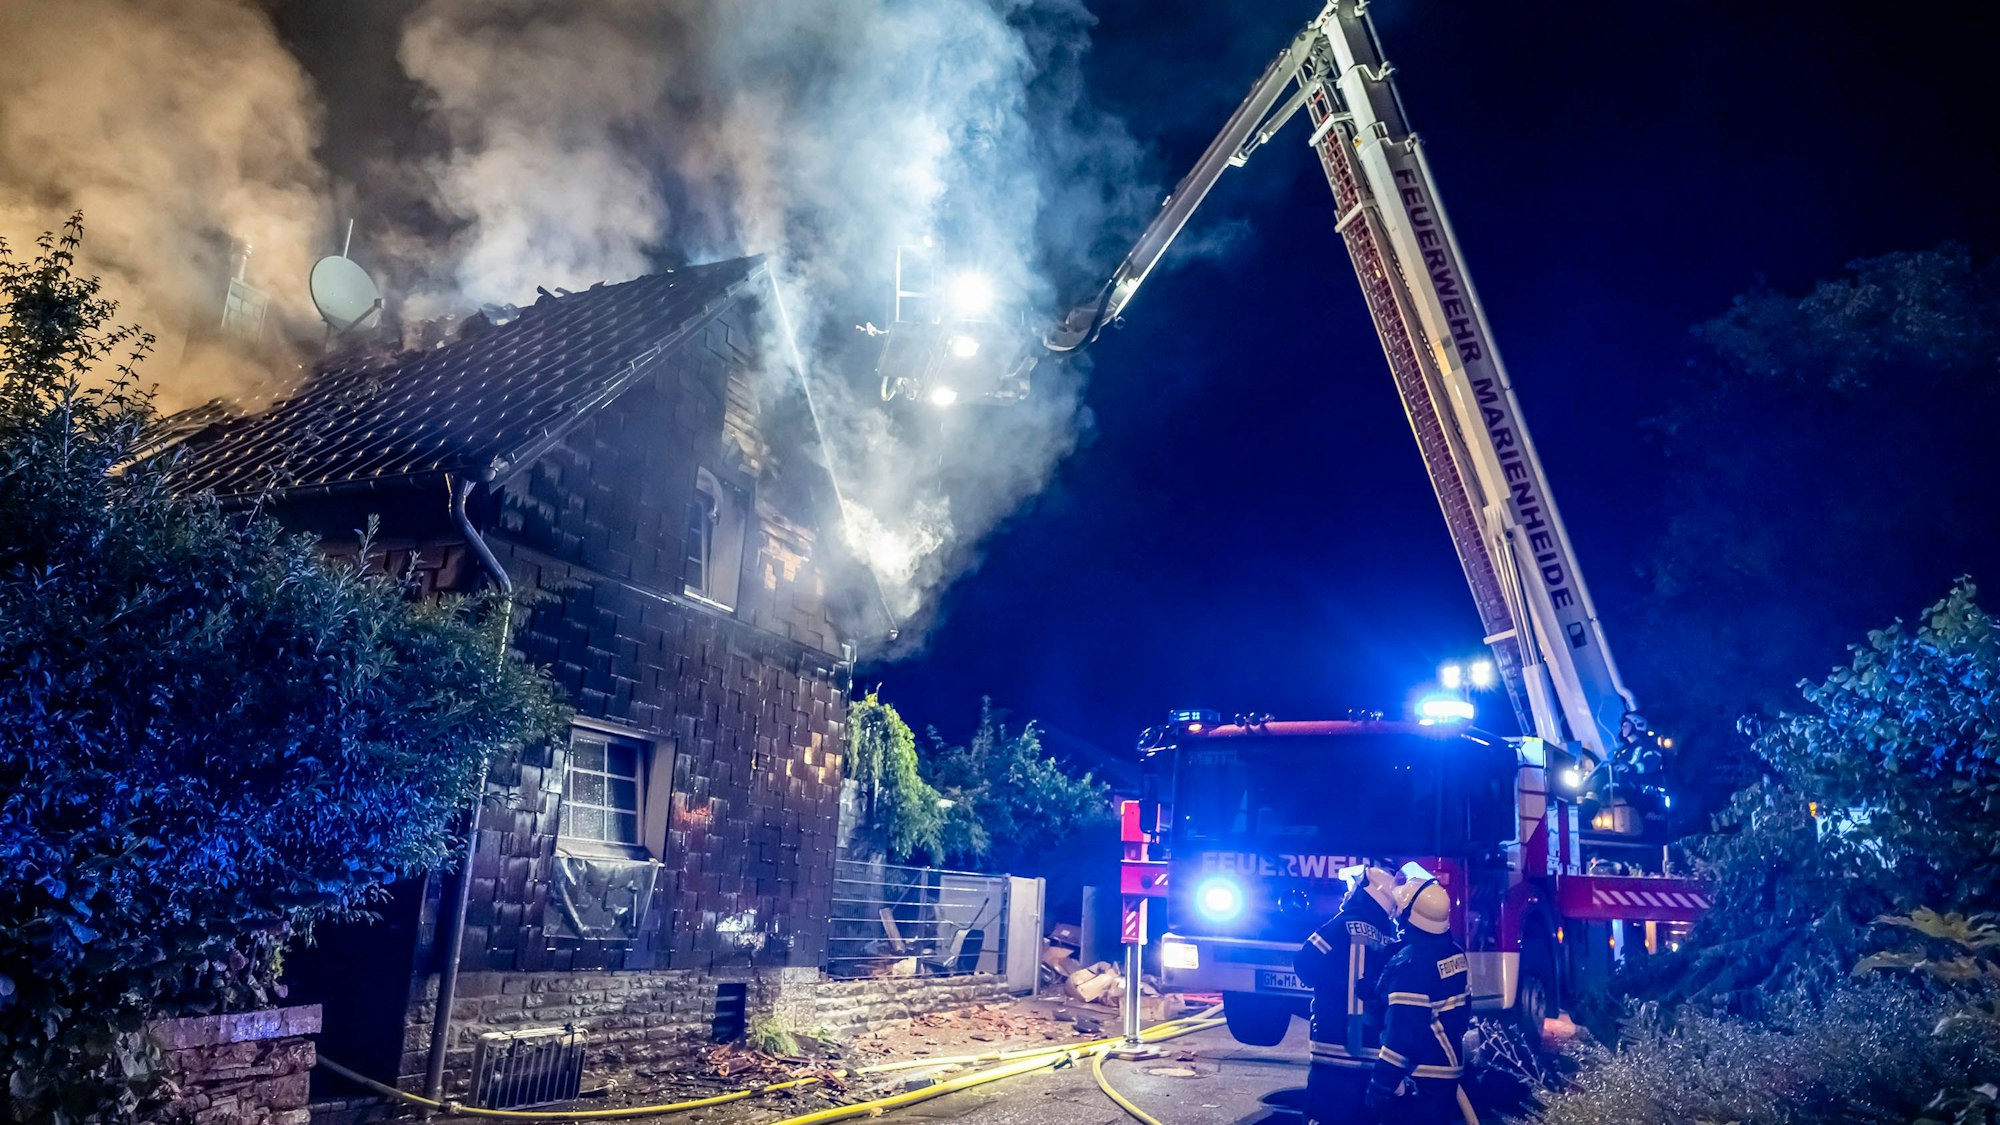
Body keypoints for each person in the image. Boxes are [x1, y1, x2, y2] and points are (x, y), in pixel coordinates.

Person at [1366, 864, 1474, 1123]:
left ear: (1408, 916)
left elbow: (1404, 1035)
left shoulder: (1412, 965)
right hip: (1447, 1069)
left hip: (1423, 1076)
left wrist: (1380, 1084)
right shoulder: (1454, 952)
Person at [1294, 864, 1401, 1124]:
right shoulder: (1391, 940)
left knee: (1324, 1115)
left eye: (1353, 888)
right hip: (1373, 1051)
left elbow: (1304, 964)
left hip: (1332, 1045)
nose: (1347, 894)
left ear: (1365, 894)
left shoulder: (1338, 927)